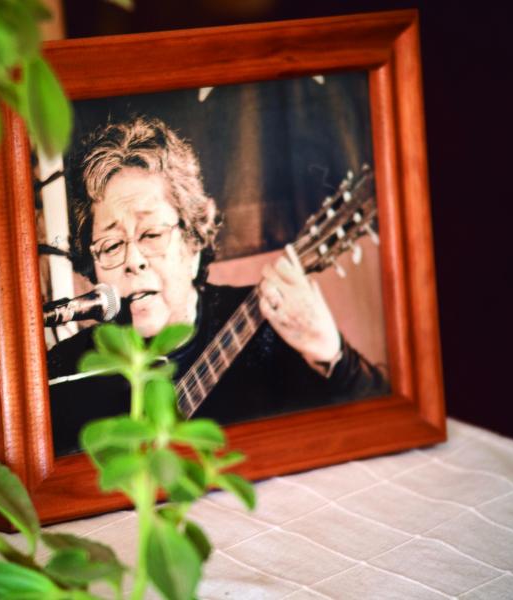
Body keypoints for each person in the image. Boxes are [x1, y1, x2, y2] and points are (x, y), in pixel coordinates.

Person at [47, 116, 388, 455]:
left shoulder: (269, 327)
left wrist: (331, 353)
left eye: (151, 234)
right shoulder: (67, 371)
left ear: (193, 243)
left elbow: (381, 432)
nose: (132, 260)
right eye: (111, 245)